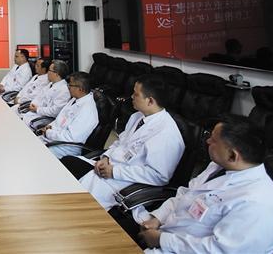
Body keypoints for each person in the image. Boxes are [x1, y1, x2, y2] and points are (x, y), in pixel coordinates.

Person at [133, 116, 273, 254]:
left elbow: (219, 250)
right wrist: (157, 218)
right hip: (166, 235)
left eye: (213, 140)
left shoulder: (258, 205)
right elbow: (186, 194)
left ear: (232, 155)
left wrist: (162, 240)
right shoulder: (219, 166)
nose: (207, 141)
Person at [65, 74, 185, 210]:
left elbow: (158, 176)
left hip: (126, 183)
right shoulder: (137, 116)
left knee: (75, 199)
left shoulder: (167, 133)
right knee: (68, 164)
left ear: (150, 101)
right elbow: (120, 142)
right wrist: (106, 157)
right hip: (108, 168)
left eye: (136, 94)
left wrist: (115, 172)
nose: (131, 97)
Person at [38, 72, 98, 159]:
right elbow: (59, 119)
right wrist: (49, 126)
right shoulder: (75, 99)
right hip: (53, 138)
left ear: (80, 89)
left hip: (64, 148)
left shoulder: (88, 111)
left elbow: (71, 137)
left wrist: (49, 132)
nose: (68, 87)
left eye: (70, 85)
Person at [21, 60, 71, 126]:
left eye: (49, 70)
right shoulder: (50, 84)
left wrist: (38, 109)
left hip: (43, 119)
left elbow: (55, 111)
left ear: (56, 74)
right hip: (35, 113)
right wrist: (33, 105)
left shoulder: (63, 90)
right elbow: (39, 97)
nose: (47, 73)